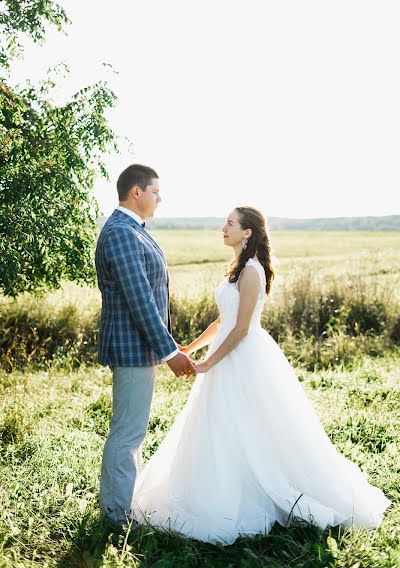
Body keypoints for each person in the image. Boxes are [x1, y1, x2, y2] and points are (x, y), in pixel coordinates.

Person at [132, 206, 391, 545]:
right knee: (220, 425)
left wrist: (210, 364)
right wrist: (190, 349)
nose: (223, 228)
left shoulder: (252, 271)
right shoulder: (235, 269)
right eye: (225, 223)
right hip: (225, 354)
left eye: (230, 223)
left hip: (245, 358)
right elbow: (221, 322)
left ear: (247, 232)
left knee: (256, 425)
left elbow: (240, 330)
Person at [95, 164, 195, 526]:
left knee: (132, 431)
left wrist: (166, 343)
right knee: (127, 433)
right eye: (155, 191)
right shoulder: (122, 233)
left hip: (139, 347)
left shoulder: (133, 230)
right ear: (136, 192)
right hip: (131, 348)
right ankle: (115, 518)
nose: (159, 198)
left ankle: (121, 506)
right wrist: (169, 351)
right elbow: (140, 300)